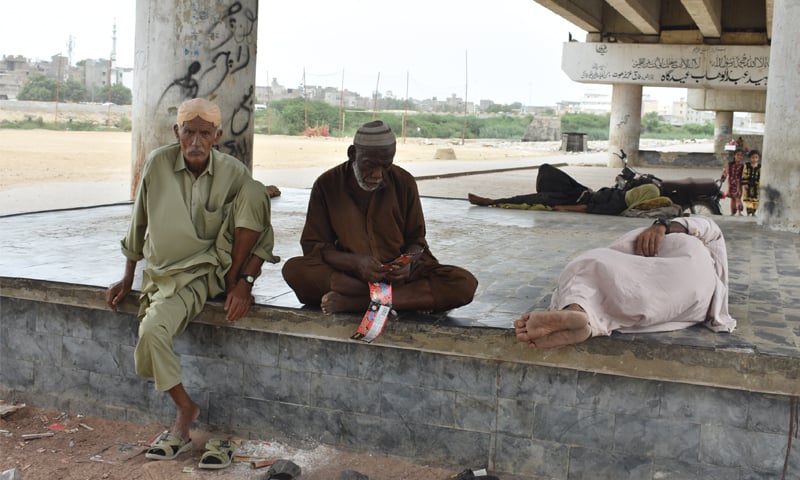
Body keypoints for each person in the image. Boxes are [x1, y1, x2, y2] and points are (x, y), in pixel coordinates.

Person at [105, 98, 279, 460]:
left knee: (255, 190)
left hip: (206, 273)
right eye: (189, 132)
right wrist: (127, 277)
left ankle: (184, 416)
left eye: (204, 133)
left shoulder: (234, 173)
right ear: (177, 133)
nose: (196, 141)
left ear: (217, 135)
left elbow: (261, 234)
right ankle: (187, 406)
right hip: (164, 272)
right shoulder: (157, 164)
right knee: (151, 333)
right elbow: (138, 223)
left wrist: (244, 283)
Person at [282, 120, 478, 315]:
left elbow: (417, 241)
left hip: (399, 278)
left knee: (463, 284)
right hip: (350, 278)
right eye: (370, 165)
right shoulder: (327, 185)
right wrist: (355, 263)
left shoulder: (404, 182)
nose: (378, 174)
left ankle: (356, 303)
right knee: (294, 269)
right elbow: (314, 247)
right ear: (352, 154)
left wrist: (407, 263)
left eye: (386, 166)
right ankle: (400, 299)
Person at [514, 216, 735, 348]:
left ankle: (579, 310)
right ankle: (583, 319)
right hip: (693, 299)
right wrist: (664, 226)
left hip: (684, 261)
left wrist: (661, 225)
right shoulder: (711, 294)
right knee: (638, 297)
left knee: (589, 266)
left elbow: (708, 226)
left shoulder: (697, 241)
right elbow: (708, 227)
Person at [467, 163, 672, 216]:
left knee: (533, 199)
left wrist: (565, 209)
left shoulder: (619, 204)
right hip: (582, 190)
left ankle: (492, 201)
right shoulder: (624, 195)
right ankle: (545, 193)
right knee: (547, 170)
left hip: (573, 200)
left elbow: (590, 209)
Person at [721, 148, 745, 215]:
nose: (739, 157)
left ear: (742, 157)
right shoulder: (730, 164)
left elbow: (745, 175)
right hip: (731, 183)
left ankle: (740, 212)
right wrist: (722, 179)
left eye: (741, 155)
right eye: (738, 155)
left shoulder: (743, 166)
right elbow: (726, 172)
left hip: (738, 184)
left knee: (738, 197)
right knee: (732, 198)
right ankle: (732, 213)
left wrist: (745, 183)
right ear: (734, 155)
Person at [742, 149, 761, 216]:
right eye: (753, 157)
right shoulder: (746, 165)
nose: (754, 159)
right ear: (750, 158)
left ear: (758, 158)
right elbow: (744, 174)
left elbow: (761, 176)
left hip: (756, 186)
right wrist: (745, 183)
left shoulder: (760, 167)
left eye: (756, 157)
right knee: (748, 200)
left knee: (755, 200)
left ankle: (753, 212)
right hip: (748, 186)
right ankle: (749, 212)